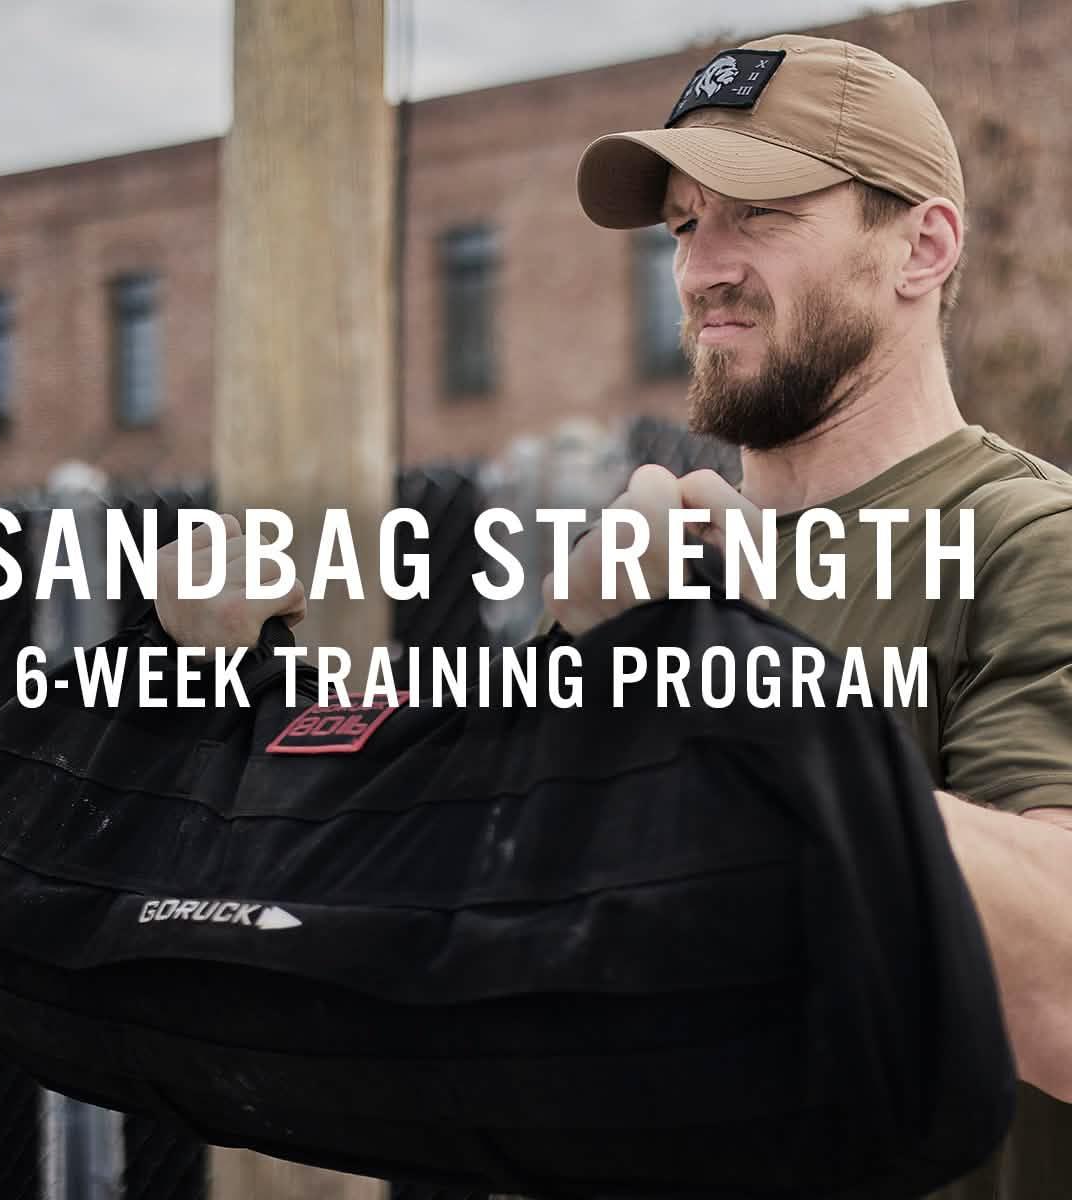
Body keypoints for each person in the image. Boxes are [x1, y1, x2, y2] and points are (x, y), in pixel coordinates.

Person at [154, 32, 1072, 1200]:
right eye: (686, 226)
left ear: (923, 246)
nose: (699, 271)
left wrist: (736, 697)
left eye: (761, 213)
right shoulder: (646, 572)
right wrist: (223, 700)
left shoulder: (1027, 542)